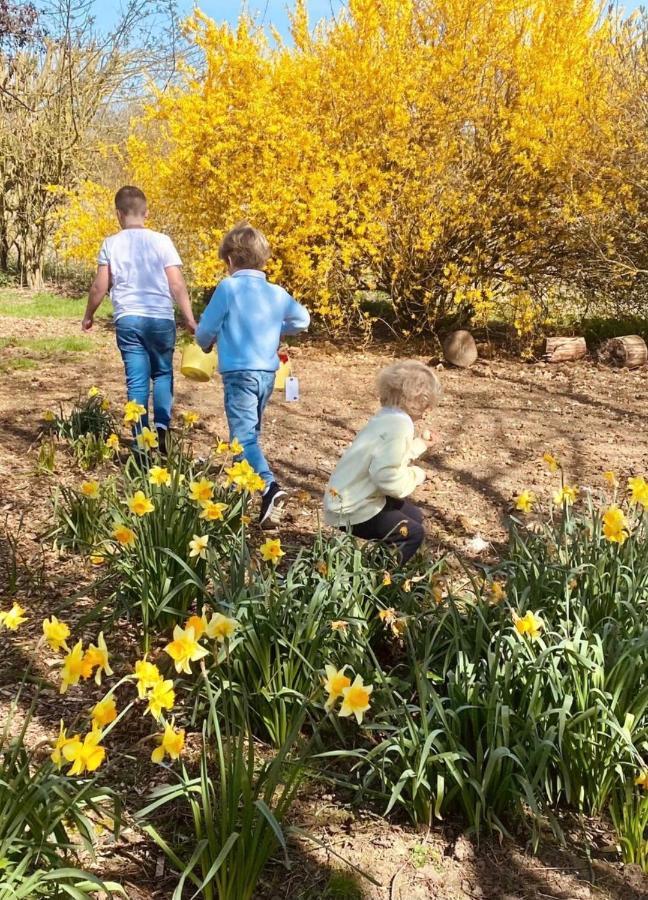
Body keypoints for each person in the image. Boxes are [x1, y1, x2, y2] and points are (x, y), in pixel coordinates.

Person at [195, 223, 310, 525]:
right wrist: (277, 330)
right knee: (248, 433)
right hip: (267, 376)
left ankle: (269, 486)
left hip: (239, 373)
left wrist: (205, 344)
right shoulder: (277, 293)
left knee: (243, 436)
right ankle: (240, 491)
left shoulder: (228, 287)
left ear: (230, 261)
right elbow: (302, 319)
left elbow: (206, 328)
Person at [81, 185, 197, 454]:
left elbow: (100, 286)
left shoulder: (111, 243)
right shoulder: (162, 241)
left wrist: (89, 315)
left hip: (128, 319)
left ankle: (141, 443)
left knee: (136, 380)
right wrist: (189, 318)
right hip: (160, 318)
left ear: (118, 214)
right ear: (146, 213)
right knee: (163, 373)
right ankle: (162, 429)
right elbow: (177, 284)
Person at [324, 360, 442, 563]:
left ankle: (384, 562)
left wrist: (419, 445)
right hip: (353, 507)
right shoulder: (400, 426)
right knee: (411, 534)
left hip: (350, 496)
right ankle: (378, 581)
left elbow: (389, 454)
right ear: (416, 401)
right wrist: (417, 475)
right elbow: (386, 477)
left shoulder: (388, 417)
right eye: (427, 404)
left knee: (413, 516)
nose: (428, 410)